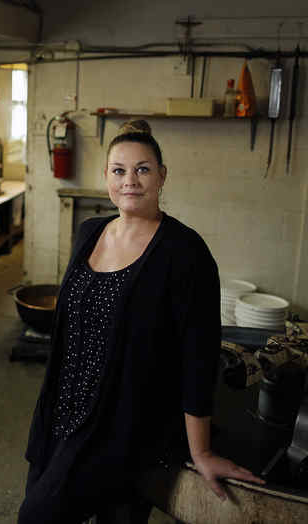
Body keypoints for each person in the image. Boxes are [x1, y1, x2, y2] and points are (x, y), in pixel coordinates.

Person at [18, 120, 264, 523]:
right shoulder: (89, 233)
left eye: (143, 169)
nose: (130, 180)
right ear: (107, 177)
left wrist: (200, 451)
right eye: (119, 170)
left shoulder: (185, 252)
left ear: (162, 176)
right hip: (60, 416)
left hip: (125, 429)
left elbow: (198, 358)